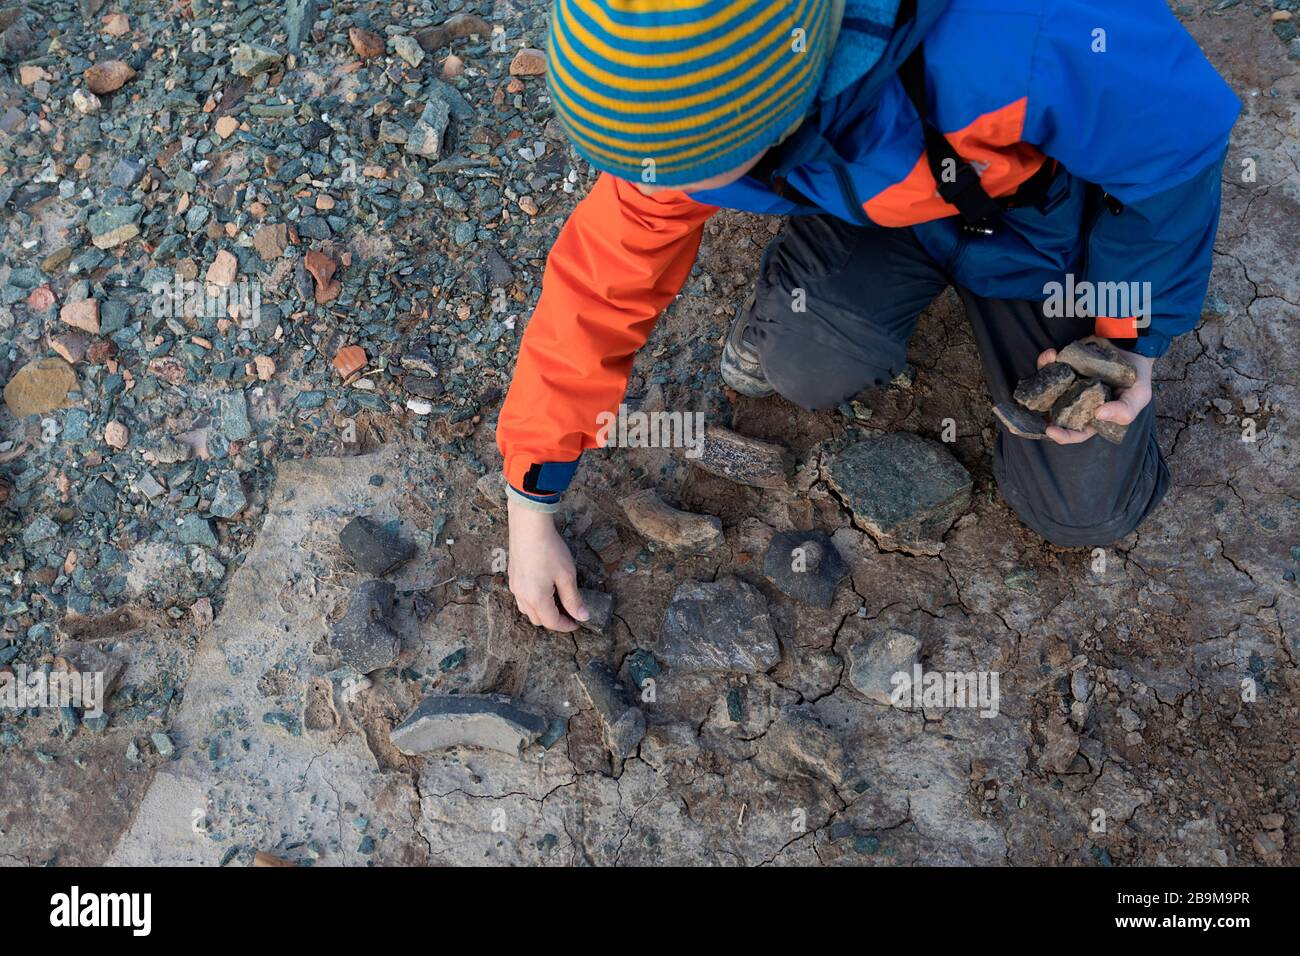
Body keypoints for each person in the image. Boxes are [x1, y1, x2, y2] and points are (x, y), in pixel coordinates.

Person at [495, 0, 1240, 631]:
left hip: (1039, 230)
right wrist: (531, 502)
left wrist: (1130, 339)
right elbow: (599, 287)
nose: (651, 180)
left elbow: (1174, 153)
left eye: (683, 165)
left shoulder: (1026, 33)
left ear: (778, 101)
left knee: (1087, 513)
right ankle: (812, 270)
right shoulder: (667, 128)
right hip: (878, 210)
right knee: (803, 363)